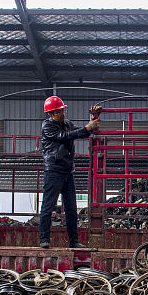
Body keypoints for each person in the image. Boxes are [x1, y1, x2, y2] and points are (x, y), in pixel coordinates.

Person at [38, 95, 99, 249]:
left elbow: (81, 132)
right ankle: (44, 239)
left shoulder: (67, 123)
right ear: (51, 114)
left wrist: (93, 119)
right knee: (48, 206)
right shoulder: (48, 126)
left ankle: (74, 241)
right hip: (53, 171)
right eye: (58, 112)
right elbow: (66, 136)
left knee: (71, 208)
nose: (62, 113)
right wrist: (87, 128)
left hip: (67, 171)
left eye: (62, 110)